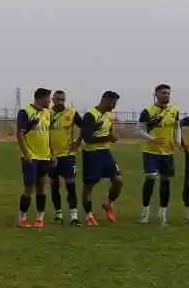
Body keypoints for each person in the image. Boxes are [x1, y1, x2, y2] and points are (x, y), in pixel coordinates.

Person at [77, 91, 124, 226]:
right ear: (105, 100)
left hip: (105, 152)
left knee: (118, 181)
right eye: (112, 103)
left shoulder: (109, 115)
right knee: (89, 185)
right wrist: (107, 138)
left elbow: (108, 131)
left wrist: (111, 137)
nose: (114, 107)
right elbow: (87, 138)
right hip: (92, 153)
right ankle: (89, 215)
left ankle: (108, 203)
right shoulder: (90, 115)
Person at [137, 84, 180, 226]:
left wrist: (178, 141)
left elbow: (177, 127)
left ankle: (162, 214)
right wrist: (152, 139)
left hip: (168, 152)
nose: (166, 95)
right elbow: (139, 130)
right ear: (156, 94)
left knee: (165, 181)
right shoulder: (148, 111)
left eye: (168, 93)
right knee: (150, 179)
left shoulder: (174, 110)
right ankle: (145, 212)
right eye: (163, 93)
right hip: (151, 151)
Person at [16, 88, 54, 228]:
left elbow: (48, 134)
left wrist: (52, 153)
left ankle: (40, 218)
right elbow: (20, 134)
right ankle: (23, 218)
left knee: (41, 187)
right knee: (28, 187)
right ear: (40, 98)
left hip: (45, 156)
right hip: (31, 156)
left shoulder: (47, 113)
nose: (49, 102)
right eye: (48, 99)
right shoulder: (25, 112)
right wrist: (26, 154)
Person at [49, 90, 81, 225]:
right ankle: (58, 215)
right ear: (53, 100)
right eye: (58, 100)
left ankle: (74, 216)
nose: (61, 102)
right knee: (54, 185)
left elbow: (85, 126)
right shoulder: (47, 114)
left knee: (70, 185)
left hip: (68, 156)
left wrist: (79, 141)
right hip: (51, 156)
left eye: (63, 100)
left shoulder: (71, 112)